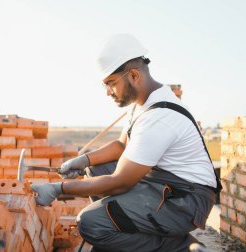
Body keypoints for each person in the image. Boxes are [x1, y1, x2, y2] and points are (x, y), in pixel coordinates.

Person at [30, 34, 221, 252]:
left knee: (91, 223)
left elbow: (120, 181)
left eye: (111, 83)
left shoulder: (159, 116)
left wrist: (59, 188)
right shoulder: (143, 104)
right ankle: (130, 229)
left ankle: (181, 247)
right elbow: (122, 146)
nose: (108, 92)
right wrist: (84, 160)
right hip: (166, 184)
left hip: (187, 201)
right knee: (97, 167)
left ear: (133, 75)